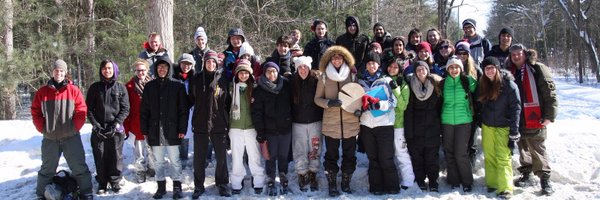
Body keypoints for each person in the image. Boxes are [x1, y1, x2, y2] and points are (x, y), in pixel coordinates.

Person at [31, 59, 94, 200]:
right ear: (52, 72)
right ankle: (41, 194)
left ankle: (86, 193)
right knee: (47, 169)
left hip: (71, 137)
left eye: (61, 71)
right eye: (56, 70)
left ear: (65, 73)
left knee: (79, 167)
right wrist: (43, 128)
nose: (58, 73)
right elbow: (35, 111)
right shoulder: (43, 92)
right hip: (50, 139)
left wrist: (74, 128)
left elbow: (81, 110)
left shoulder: (73, 91)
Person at [505, 44, 557, 196]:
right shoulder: (510, 71)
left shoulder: (537, 68)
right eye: (513, 54)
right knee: (523, 147)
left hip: (535, 115)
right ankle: (526, 173)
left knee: (537, 148)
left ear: (525, 53)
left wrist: (550, 115)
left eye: (518, 53)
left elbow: (550, 93)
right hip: (518, 117)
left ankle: (545, 179)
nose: (516, 56)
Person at [314, 46, 360, 197]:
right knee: (331, 155)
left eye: (339, 57)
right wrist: (329, 103)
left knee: (349, 155)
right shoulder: (324, 77)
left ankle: (346, 182)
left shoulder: (352, 75)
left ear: (345, 59)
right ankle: (332, 183)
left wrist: (359, 108)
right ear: (329, 60)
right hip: (331, 122)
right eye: (334, 58)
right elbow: (317, 99)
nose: (337, 60)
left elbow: (358, 96)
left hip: (350, 122)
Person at [140, 58, 189, 199]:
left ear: (169, 69)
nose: (162, 69)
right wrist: (145, 130)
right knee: (158, 161)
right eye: (159, 67)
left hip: (172, 129)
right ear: (156, 69)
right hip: (154, 130)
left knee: (175, 160)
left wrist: (182, 129)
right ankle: (160, 187)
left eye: (165, 67)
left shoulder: (177, 86)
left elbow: (183, 110)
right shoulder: (149, 87)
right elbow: (144, 111)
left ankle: (177, 187)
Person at [188, 50, 232, 198]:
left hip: (218, 123)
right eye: (208, 61)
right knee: (199, 158)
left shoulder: (222, 80)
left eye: (213, 61)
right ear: (204, 62)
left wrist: (227, 121)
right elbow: (191, 99)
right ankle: (198, 186)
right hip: (200, 123)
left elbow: (227, 102)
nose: (211, 64)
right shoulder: (196, 78)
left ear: (217, 63)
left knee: (221, 157)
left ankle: (222, 183)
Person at [478, 57, 521, 199]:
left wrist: (514, 130)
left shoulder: (509, 85)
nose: (489, 71)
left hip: (504, 126)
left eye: (492, 67)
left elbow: (516, 108)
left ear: (497, 68)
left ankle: (506, 187)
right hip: (487, 126)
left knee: (503, 157)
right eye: (486, 68)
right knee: (489, 155)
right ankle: (492, 183)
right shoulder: (483, 84)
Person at [357, 52, 399, 195]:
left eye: (374, 63)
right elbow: (355, 101)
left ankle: (392, 186)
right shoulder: (360, 82)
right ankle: (376, 187)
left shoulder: (386, 81)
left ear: (379, 65)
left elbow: (394, 102)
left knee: (386, 157)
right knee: (373, 158)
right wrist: (359, 108)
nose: (371, 65)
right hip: (367, 125)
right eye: (369, 63)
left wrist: (379, 104)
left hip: (384, 124)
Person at [86, 59, 130, 194]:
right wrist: (96, 125)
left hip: (115, 128)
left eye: (110, 68)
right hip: (99, 128)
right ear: (101, 70)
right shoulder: (94, 87)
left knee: (115, 155)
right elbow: (89, 109)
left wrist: (117, 123)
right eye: (104, 68)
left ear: (114, 70)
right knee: (100, 154)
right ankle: (102, 182)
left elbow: (125, 108)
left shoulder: (120, 87)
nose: (107, 71)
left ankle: (115, 181)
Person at [252, 62, 293, 196]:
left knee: (283, 155)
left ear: (278, 72)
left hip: (285, 128)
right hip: (269, 130)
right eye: (269, 71)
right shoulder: (259, 89)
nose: (272, 74)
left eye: (274, 71)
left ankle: (283, 176)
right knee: (270, 156)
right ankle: (270, 179)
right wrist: (260, 132)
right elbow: (256, 113)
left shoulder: (286, 85)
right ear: (264, 73)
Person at [404, 61, 443, 192]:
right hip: (416, 128)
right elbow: (408, 110)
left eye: (423, 69)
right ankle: (420, 179)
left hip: (432, 127)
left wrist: (440, 128)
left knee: (432, 157)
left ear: (428, 71)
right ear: (415, 72)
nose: (421, 72)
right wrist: (408, 133)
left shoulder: (435, 84)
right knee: (417, 157)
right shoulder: (410, 85)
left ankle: (433, 181)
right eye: (418, 70)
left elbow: (440, 107)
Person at [229, 59, 266, 195]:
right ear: (237, 74)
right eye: (241, 73)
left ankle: (258, 181)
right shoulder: (231, 87)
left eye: (246, 73)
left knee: (254, 156)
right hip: (235, 127)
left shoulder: (255, 89)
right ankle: (236, 183)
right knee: (237, 157)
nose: (243, 75)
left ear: (250, 74)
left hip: (251, 127)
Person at [441, 57, 477, 192]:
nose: (454, 70)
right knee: (449, 152)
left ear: (461, 69)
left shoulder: (468, 81)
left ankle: (467, 181)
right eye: (451, 67)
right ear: (447, 69)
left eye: (456, 67)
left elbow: (479, 94)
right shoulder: (443, 83)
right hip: (447, 121)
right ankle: (454, 180)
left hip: (464, 121)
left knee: (461, 153)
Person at [290, 56, 323, 192]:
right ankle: (302, 173)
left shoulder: (317, 80)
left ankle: (313, 172)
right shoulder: (291, 82)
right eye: (300, 67)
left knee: (315, 148)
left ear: (309, 68)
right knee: (300, 149)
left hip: (315, 120)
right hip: (298, 122)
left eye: (305, 67)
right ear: (296, 69)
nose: (303, 69)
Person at [124, 59, 155, 183]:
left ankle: (152, 170)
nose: (141, 72)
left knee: (153, 150)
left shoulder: (153, 84)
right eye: (138, 70)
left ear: (147, 70)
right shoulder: (129, 86)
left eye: (143, 70)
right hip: (137, 124)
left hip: (152, 123)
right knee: (140, 152)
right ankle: (140, 172)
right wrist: (126, 126)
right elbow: (126, 107)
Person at [386, 61, 415, 191]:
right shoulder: (383, 81)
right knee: (386, 153)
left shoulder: (403, 85)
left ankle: (408, 179)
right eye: (390, 66)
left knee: (401, 152)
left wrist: (395, 89)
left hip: (398, 124)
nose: (392, 69)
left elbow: (403, 105)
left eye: (395, 67)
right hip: (383, 123)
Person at [172, 54, 196, 169]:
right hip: (175, 109)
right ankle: (175, 158)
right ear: (180, 63)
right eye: (184, 63)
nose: (186, 66)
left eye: (189, 64)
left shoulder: (194, 77)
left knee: (185, 134)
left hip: (189, 108)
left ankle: (183, 158)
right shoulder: (173, 76)